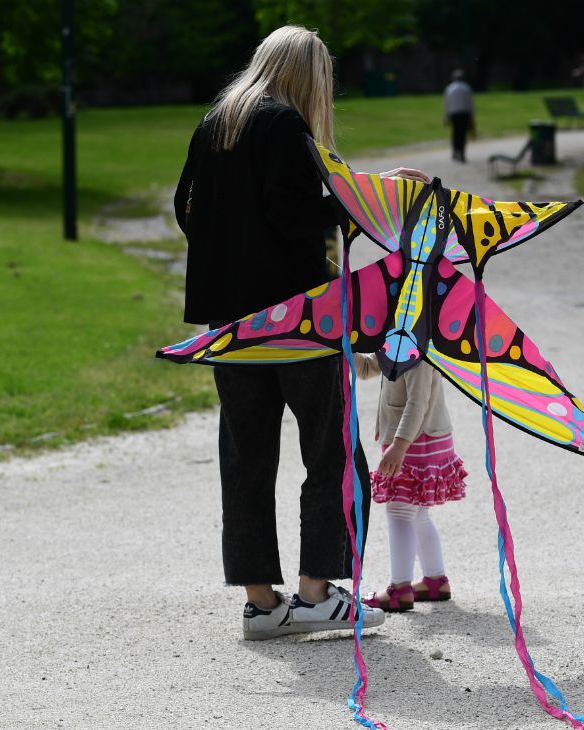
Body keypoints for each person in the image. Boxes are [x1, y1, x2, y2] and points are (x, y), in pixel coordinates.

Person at [174, 26, 430, 641]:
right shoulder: (284, 125)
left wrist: (229, 253)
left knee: (246, 459)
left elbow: (185, 205)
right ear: (308, 77)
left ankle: (262, 603)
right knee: (331, 450)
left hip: (231, 326)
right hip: (298, 322)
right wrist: (372, 202)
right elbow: (294, 214)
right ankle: (318, 590)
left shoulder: (217, 123)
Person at [354, 353, 467, 612]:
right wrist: (345, 352)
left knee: (399, 511)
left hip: (414, 440)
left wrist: (399, 445)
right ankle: (435, 580)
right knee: (417, 514)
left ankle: (400, 588)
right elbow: (369, 367)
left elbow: (418, 402)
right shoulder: (396, 342)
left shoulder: (418, 349)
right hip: (416, 440)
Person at [442, 69, 475, 163]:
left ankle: (455, 151)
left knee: (455, 133)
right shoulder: (466, 88)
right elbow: (470, 104)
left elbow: (446, 103)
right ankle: (462, 152)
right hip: (464, 114)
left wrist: (445, 116)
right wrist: (472, 117)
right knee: (462, 134)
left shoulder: (449, 88)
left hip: (454, 114)